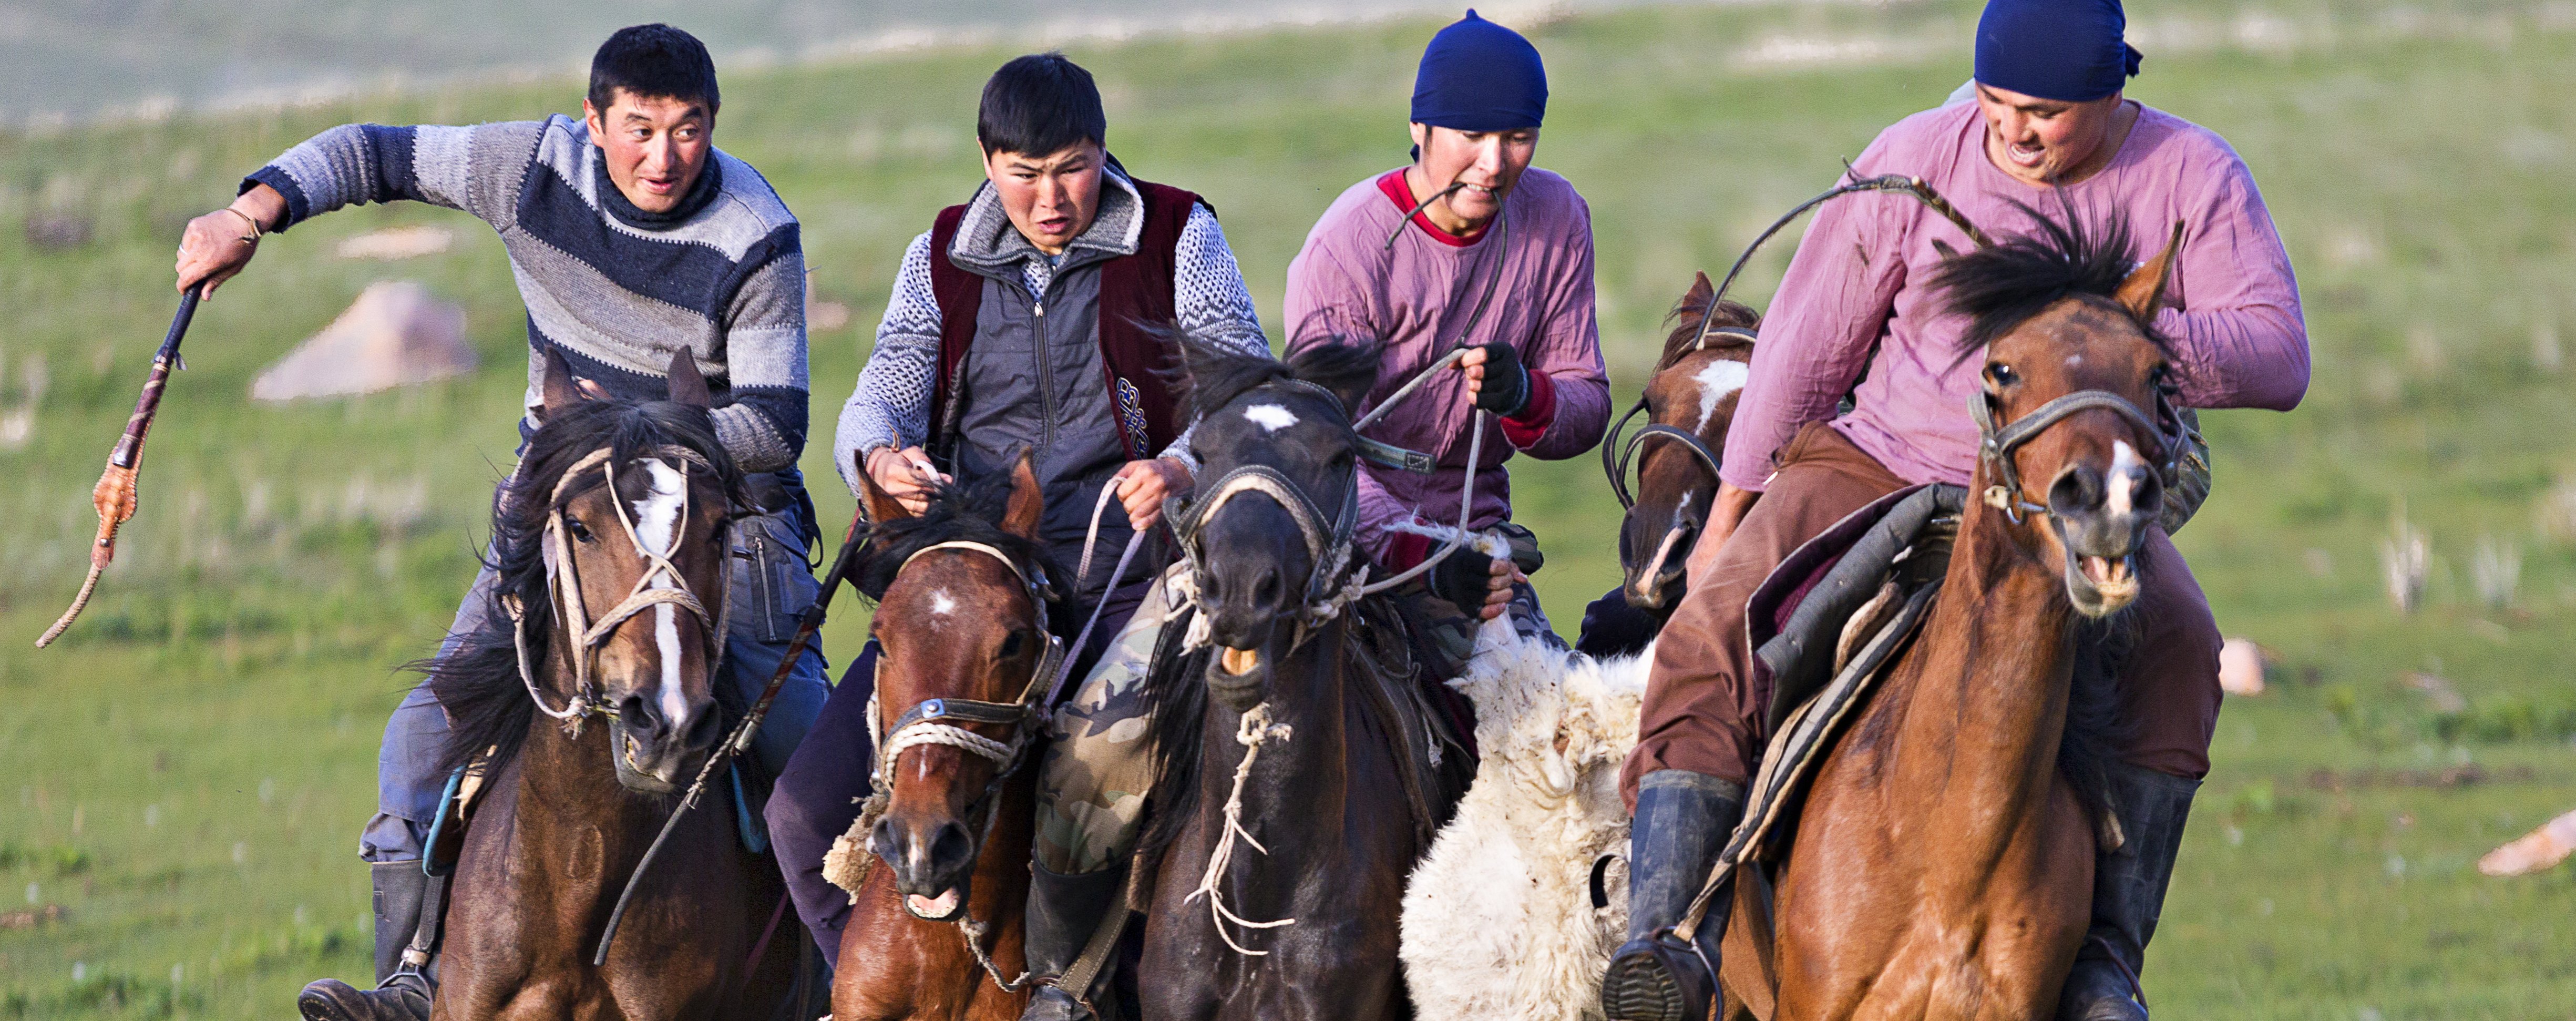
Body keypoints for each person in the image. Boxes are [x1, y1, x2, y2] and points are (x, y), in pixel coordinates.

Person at [1599, 0, 2312, 1017]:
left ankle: (2106, 959)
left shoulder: (2191, 174)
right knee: (1708, 639)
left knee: (2181, 644)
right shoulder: (1915, 159)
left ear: (2113, 93)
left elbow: (2279, 354)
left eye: (2044, 113)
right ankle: (1668, 942)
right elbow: (1802, 356)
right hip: (1878, 463)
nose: (2012, 131)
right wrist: (1728, 525)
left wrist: (2111, 346)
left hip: (2056, 498)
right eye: (1995, 103)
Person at [171, 25, 831, 1021]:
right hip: (567, 519)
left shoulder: (753, 229)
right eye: (640, 129)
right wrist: (248, 214)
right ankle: (410, 979)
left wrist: (634, 445)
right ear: (593, 121)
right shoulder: (530, 167)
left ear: (714, 125)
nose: (664, 156)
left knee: (809, 755)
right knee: (417, 744)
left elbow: (776, 425)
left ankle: (845, 981)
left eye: (689, 130)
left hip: (716, 521)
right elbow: (375, 154)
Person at [759, 52, 1268, 1021]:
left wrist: (1180, 466)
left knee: (1096, 803)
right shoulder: (940, 253)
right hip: (975, 580)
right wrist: (875, 460)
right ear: (988, 162)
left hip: (1129, 580)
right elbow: (886, 384)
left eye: (1071, 168)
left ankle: (1072, 998)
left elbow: (1239, 382)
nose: (1049, 198)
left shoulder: (1177, 234)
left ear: (1103, 153)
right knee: (799, 812)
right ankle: (873, 988)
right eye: (1023, 173)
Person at [1282, 9, 1612, 666]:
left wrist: (1528, 395)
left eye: (1519, 136)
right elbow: (1318, 449)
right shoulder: (1347, 247)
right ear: (1419, 127)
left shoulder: (1559, 215)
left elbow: (1588, 404)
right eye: (1471, 134)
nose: (1494, 164)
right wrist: (1423, 556)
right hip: (1348, 534)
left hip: (1481, 542)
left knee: (1565, 739)